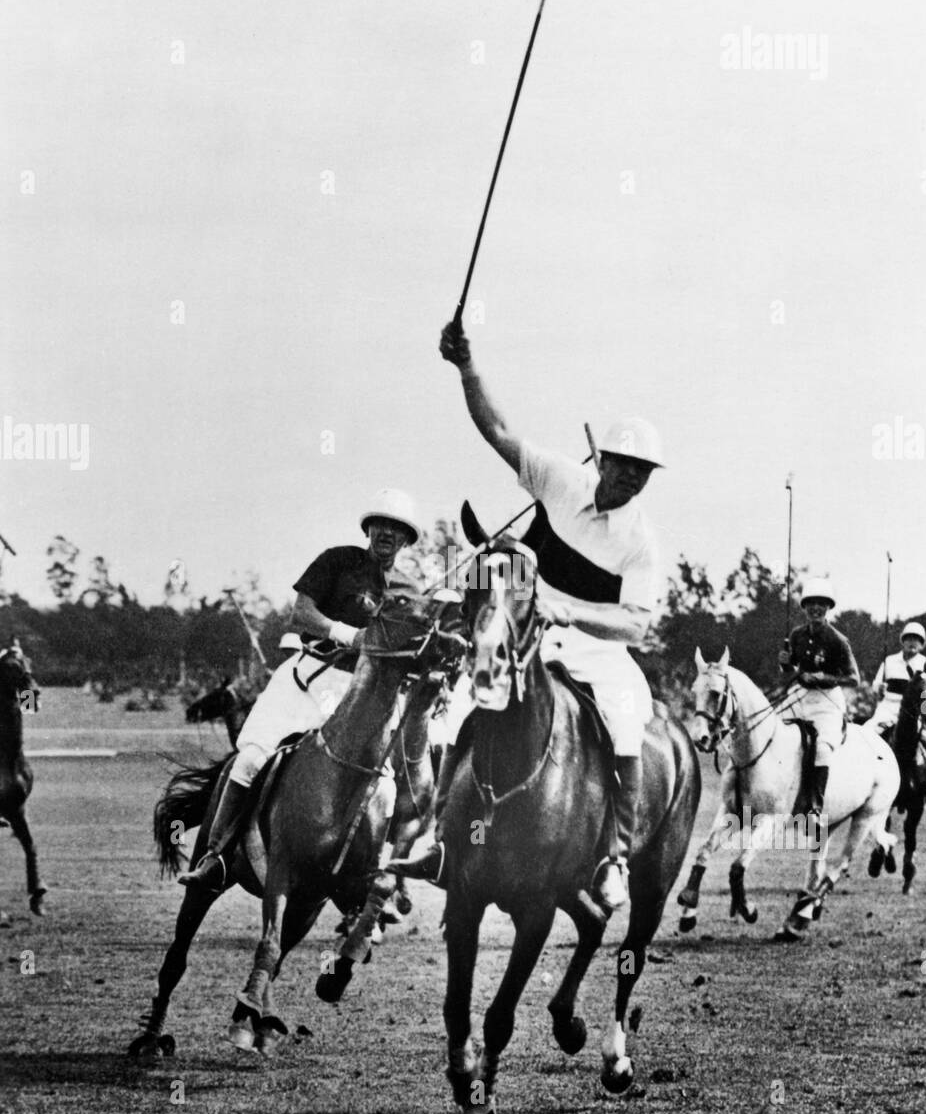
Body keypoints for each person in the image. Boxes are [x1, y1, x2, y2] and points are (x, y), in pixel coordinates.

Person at [393, 321, 663, 914]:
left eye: (643, 472)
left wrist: (569, 611)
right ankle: (441, 838)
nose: (632, 479)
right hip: (523, 635)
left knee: (625, 716)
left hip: (594, 648)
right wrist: (467, 366)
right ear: (604, 459)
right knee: (460, 707)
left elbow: (638, 626)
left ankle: (614, 855)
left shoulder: (641, 542)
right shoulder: (560, 478)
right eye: (624, 466)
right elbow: (497, 429)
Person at [179, 489, 422, 894]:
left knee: (393, 784)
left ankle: (381, 878)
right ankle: (216, 855)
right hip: (310, 675)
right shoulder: (338, 561)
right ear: (369, 528)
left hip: (366, 695)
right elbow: (301, 613)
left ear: (406, 540)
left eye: (397, 530)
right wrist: (351, 635)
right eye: (381, 524)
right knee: (251, 759)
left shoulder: (410, 590)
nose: (387, 534)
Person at [778, 579, 860, 839]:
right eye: (811, 604)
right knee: (772, 732)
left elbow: (853, 679)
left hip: (827, 700)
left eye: (821, 605)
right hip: (799, 695)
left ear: (828, 608)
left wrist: (824, 677)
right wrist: (785, 665)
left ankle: (814, 806)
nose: (816, 609)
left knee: (823, 748)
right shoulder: (796, 635)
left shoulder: (838, 640)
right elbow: (789, 671)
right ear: (804, 607)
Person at [868, 620, 926, 802]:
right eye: (909, 639)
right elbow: (876, 687)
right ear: (902, 641)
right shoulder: (889, 661)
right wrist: (878, 688)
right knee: (868, 732)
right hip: (889, 707)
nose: (912, 643)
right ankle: (865, 777)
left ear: (922, 644)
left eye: (917, 640)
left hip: (916, 710)